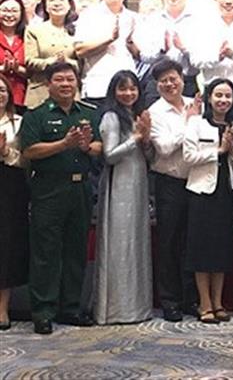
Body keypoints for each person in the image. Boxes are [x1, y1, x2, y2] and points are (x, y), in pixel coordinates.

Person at [21, 61, 101, 334]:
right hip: (49, 189)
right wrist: (63, 144)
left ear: (77, 83)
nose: (66, 84)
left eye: (70, 79)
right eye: (59, 79)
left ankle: (71, 308)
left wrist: (86, 146)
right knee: (46, 252)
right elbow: (29, 151)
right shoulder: (36, 115)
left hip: (81, 189)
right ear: (48, 84)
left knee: (76, 250)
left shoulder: (88, 113)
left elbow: (99, 146)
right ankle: (43, 311)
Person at [93, 70, 154, 325]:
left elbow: (149, 158)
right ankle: (116, 309)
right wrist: (136, 138)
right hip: (119, 184)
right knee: (120, 243)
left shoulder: (137, 115)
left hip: (138, 182)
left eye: (132, 88)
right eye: (122, 88)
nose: (128, 93)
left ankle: (137, 307)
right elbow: (110, 155)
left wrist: (146, 141)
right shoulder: (111, 116)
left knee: (136, 242)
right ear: (113, 91)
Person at [182, 78, 233, 324]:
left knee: (221, 249)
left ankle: (218, 302)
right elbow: (188, 156)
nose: (223, 100)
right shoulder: (196, 122)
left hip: (226, 190)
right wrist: (219, 151)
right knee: (201, 249)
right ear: (209, 97)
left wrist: (232, 149)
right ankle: (204, 303)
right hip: (202, 192)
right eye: (218, 95)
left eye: (227, 96)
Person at [148, 60, 200, 322]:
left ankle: (191, 298)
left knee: (192, 242)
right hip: (169, 182)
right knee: (168, 242)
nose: (170, 84)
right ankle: (170, 301)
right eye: (164, 81)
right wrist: (189, 125)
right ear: (157, 85)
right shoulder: (154, 112)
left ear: (182, 79)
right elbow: (165, 148)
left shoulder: (195, 104)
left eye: (173, 78)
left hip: (197, 181)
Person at [73, 0, 139, 104]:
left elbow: (140, 55)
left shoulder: (134, 17)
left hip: (128, 90)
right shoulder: (89, 15)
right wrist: (109, 39)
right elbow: (79, 51)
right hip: (98, 88)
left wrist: (131, 43)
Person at [0, 75, 27, 331]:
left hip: (9, 185)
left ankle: (3, 309)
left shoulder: (19, 122)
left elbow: (26, 160)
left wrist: (5, 152)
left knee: (5, 245)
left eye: (2, 90)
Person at [24, 0, 79, 109]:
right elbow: (29, 61)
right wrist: (50, 62)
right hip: (40, 91)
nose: (57, 3)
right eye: (51, 0)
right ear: (45, 6)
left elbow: (83, 63)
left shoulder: (78, 29)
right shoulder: (34, 30)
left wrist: (67, 61)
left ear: (69, 4)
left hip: (70, 92)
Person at [0, 0, 28, 109]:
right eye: (5, 10)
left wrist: (19, 70)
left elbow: (36, 73)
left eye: (14, 11)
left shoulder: (29, 36)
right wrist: (2, 69)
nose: (9, 15)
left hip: (21, 97)